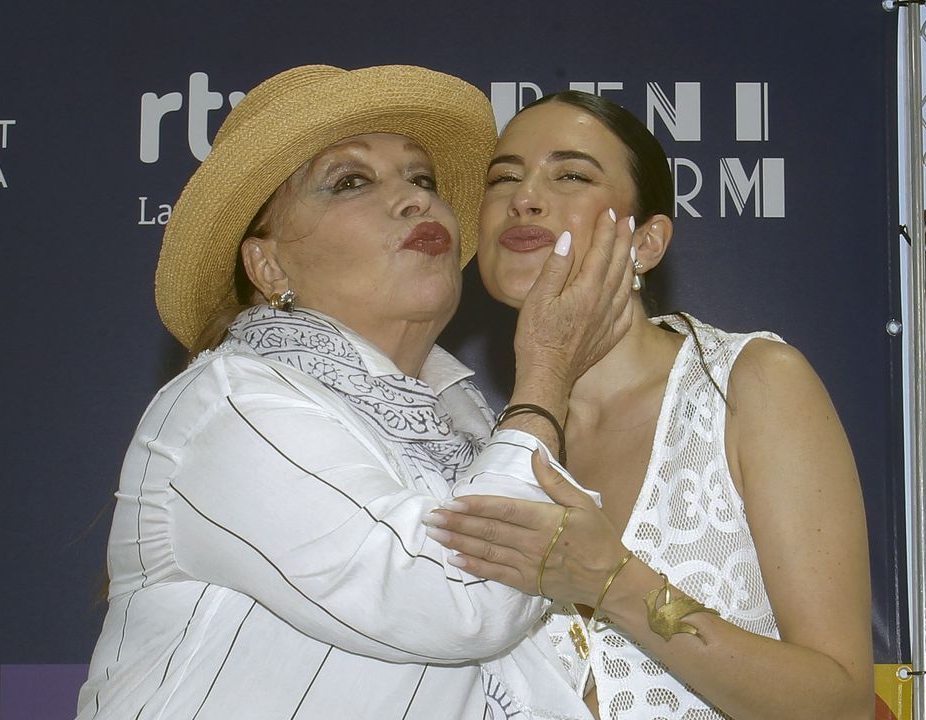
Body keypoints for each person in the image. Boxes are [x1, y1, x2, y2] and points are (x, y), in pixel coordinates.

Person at [76, 67, 635, 720]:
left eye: (422, 179)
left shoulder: (469, 427)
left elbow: (531, 672)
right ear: (268, 265)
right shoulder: (232, 406)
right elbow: (465, 599)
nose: (415, 201)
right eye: (351, 182)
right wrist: (544, 374)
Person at [425, 91, 874, 720]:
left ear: (647, 241)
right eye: (504, 178)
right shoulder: (480, 446)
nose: (523, 197)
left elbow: (842, 703)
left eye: (571, 174)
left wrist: (615, 581)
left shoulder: (749, 385)